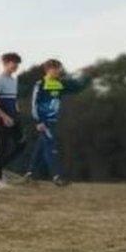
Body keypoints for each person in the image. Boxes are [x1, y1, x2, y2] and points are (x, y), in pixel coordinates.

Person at [24, 59, 90, 187]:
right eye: (56, 69)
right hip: (44, 122)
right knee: (51, 147)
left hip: (53, 121)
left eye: (59, 69)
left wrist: (86, 76)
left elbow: (77, 87)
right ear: (48, 69)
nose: (59, 71)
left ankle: (29, 174)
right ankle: (57, 176)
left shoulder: (60, 83)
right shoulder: (40, 84)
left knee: (41, 148)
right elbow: (34, 104)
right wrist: (38, 121)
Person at [0, 53, 26, 188]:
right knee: (2, 148)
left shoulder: (14, 80)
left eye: (17, 63)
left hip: (14, 117)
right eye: (12, 62)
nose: (15, 65)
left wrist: (17, 112)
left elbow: (12, 99)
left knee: (21, 144)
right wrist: (4, 116)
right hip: (2, 119)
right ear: (5, 63)